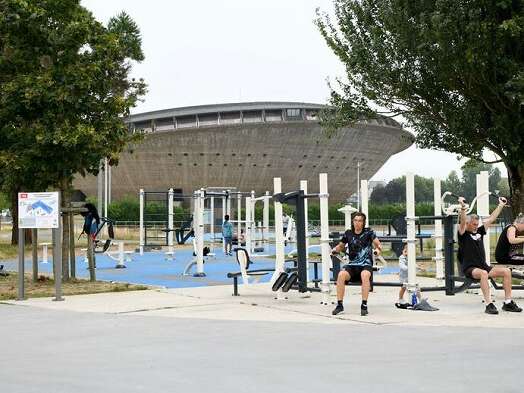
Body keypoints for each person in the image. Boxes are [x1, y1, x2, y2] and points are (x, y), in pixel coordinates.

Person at [457, 196, 521, 314]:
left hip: (483, 266)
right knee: (484, 273)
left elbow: (491, 219)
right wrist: (463, 208)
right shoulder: (463, 234)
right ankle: (489, 304)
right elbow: (462, 223)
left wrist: (500, 205)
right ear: (468, 224)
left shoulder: (480, 231)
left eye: (477, 224)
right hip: (470, 268)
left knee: (506, 271)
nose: (476, 226)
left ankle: (507, 303)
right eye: (474, 224)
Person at [331, 212, 382, 316]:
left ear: (363, 223)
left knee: (364, 275)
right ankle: (339, 305)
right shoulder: (348, 233)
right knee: (341, 275)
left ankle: (364, 305)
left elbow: (378, 245)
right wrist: (335, 249)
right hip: (352, 265)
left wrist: (377, 250)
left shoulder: (369, 232)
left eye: (360, 221)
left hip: (365, 265)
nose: (357, 223)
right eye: (355, 220)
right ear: (352, 222)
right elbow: (340, 246)